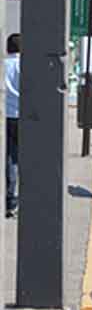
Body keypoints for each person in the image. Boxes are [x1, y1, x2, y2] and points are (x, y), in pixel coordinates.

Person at [5, 34, 19, 217]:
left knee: (9, 157)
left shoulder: (4, 65)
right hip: (22, 116)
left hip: (5, 116)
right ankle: (13, 201)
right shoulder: (27, 65)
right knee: (19, 159)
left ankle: (9, 200)